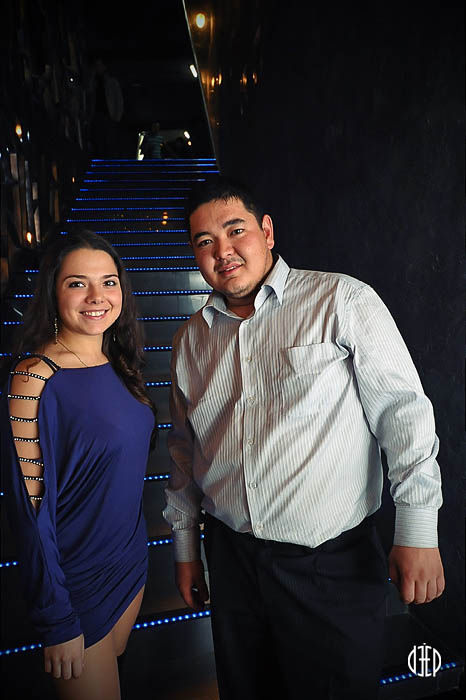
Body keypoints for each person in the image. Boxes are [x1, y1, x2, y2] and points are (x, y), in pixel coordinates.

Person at [163, 177, 445, 700]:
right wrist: (185, 549)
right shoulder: (189, 340)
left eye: (235, 230)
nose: (223, 252)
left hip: (330, 565)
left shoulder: (342, 299)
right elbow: (185, 452)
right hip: (231, 560)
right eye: (205, 242)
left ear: (267, 232)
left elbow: (403, 413)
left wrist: (418, 528)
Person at [1, 230, 156, 700]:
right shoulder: (34, 378)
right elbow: (30, 510)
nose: (96, 297)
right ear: (53, 291)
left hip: (128, 562)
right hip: (75, 579)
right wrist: (57, 616)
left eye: (108, 282)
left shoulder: (119, 361)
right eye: (77, 283)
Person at [88, 58, 124, 158]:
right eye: (96, 66)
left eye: (99, 65)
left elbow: (118, 100)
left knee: (110, 143)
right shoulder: (93, 82)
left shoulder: (111, 82)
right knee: (99, 143)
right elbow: (88, 94)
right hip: (97, 116)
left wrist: (117, 116)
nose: (98, 68)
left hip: (108, 116)